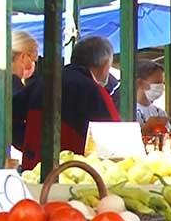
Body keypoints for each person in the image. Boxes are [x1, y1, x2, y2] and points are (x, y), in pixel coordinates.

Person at [14, 35, 120, 170]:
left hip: (34, 169)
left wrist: (30, 145)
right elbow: (115, 138)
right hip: (74, 172)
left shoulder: (43, 82)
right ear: (104, 65)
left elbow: (5, 115)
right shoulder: (95, 91)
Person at [0, 31, 38, 161]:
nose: (32, 65)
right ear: (23, 57)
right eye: (33, 59)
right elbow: (16, 128)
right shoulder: (11, 83)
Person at [134, 60, 169, 132]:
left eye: (162, 83)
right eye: (157, 83)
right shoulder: (130, 113)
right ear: (139, 82)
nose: (161, 87)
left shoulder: (160, 113)